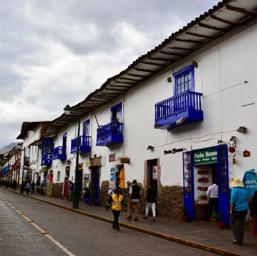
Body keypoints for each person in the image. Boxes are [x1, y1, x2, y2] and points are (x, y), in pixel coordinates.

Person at [229, 178, 248, 245]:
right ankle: (241, 240)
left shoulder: (235, 190)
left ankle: (237, 238)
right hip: (244, 209)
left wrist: (231, 210)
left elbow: (232, 201)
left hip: (236, 209)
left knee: (233, 223)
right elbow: (246, 199)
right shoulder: (245, 190)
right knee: (241, 225)